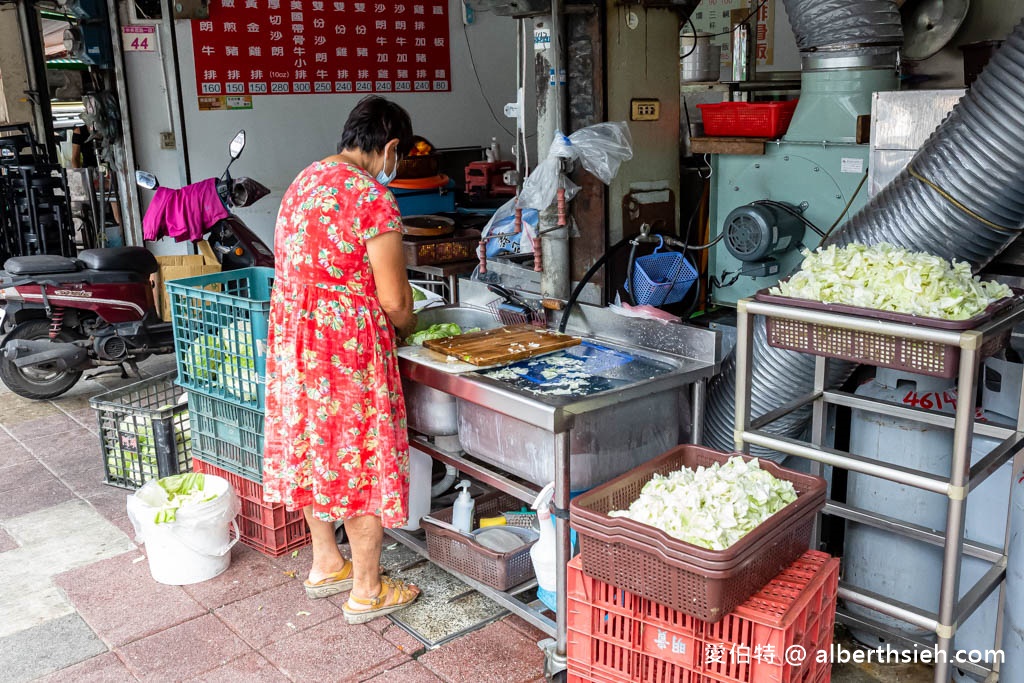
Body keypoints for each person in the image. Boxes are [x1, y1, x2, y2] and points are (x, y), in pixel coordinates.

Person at [262, 96, 421, 624]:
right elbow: (396, 300)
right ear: (391, 146)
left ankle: (326, 563)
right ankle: (367, 590)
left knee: (314, 448)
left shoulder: (304, 181)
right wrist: (410, 330)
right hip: (346, 349)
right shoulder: (371, 197)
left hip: (295, 340)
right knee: (360, 460)